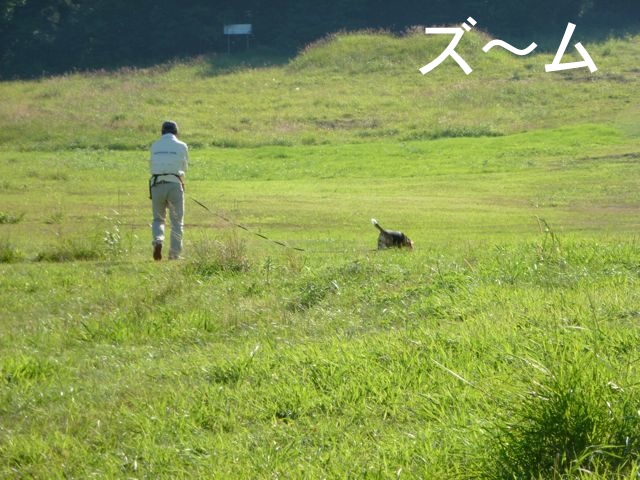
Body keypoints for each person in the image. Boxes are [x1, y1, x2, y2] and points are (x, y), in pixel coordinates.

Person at [149, 120, 188, 260]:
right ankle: (174, 254)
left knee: (158, 218)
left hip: (157, 184)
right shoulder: (182, 145)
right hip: (174, 183)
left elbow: (151, 165)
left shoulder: (155, 145)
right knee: (177, 221)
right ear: (176, 132)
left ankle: (158, 240)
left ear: (162, 132)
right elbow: (184, 167)